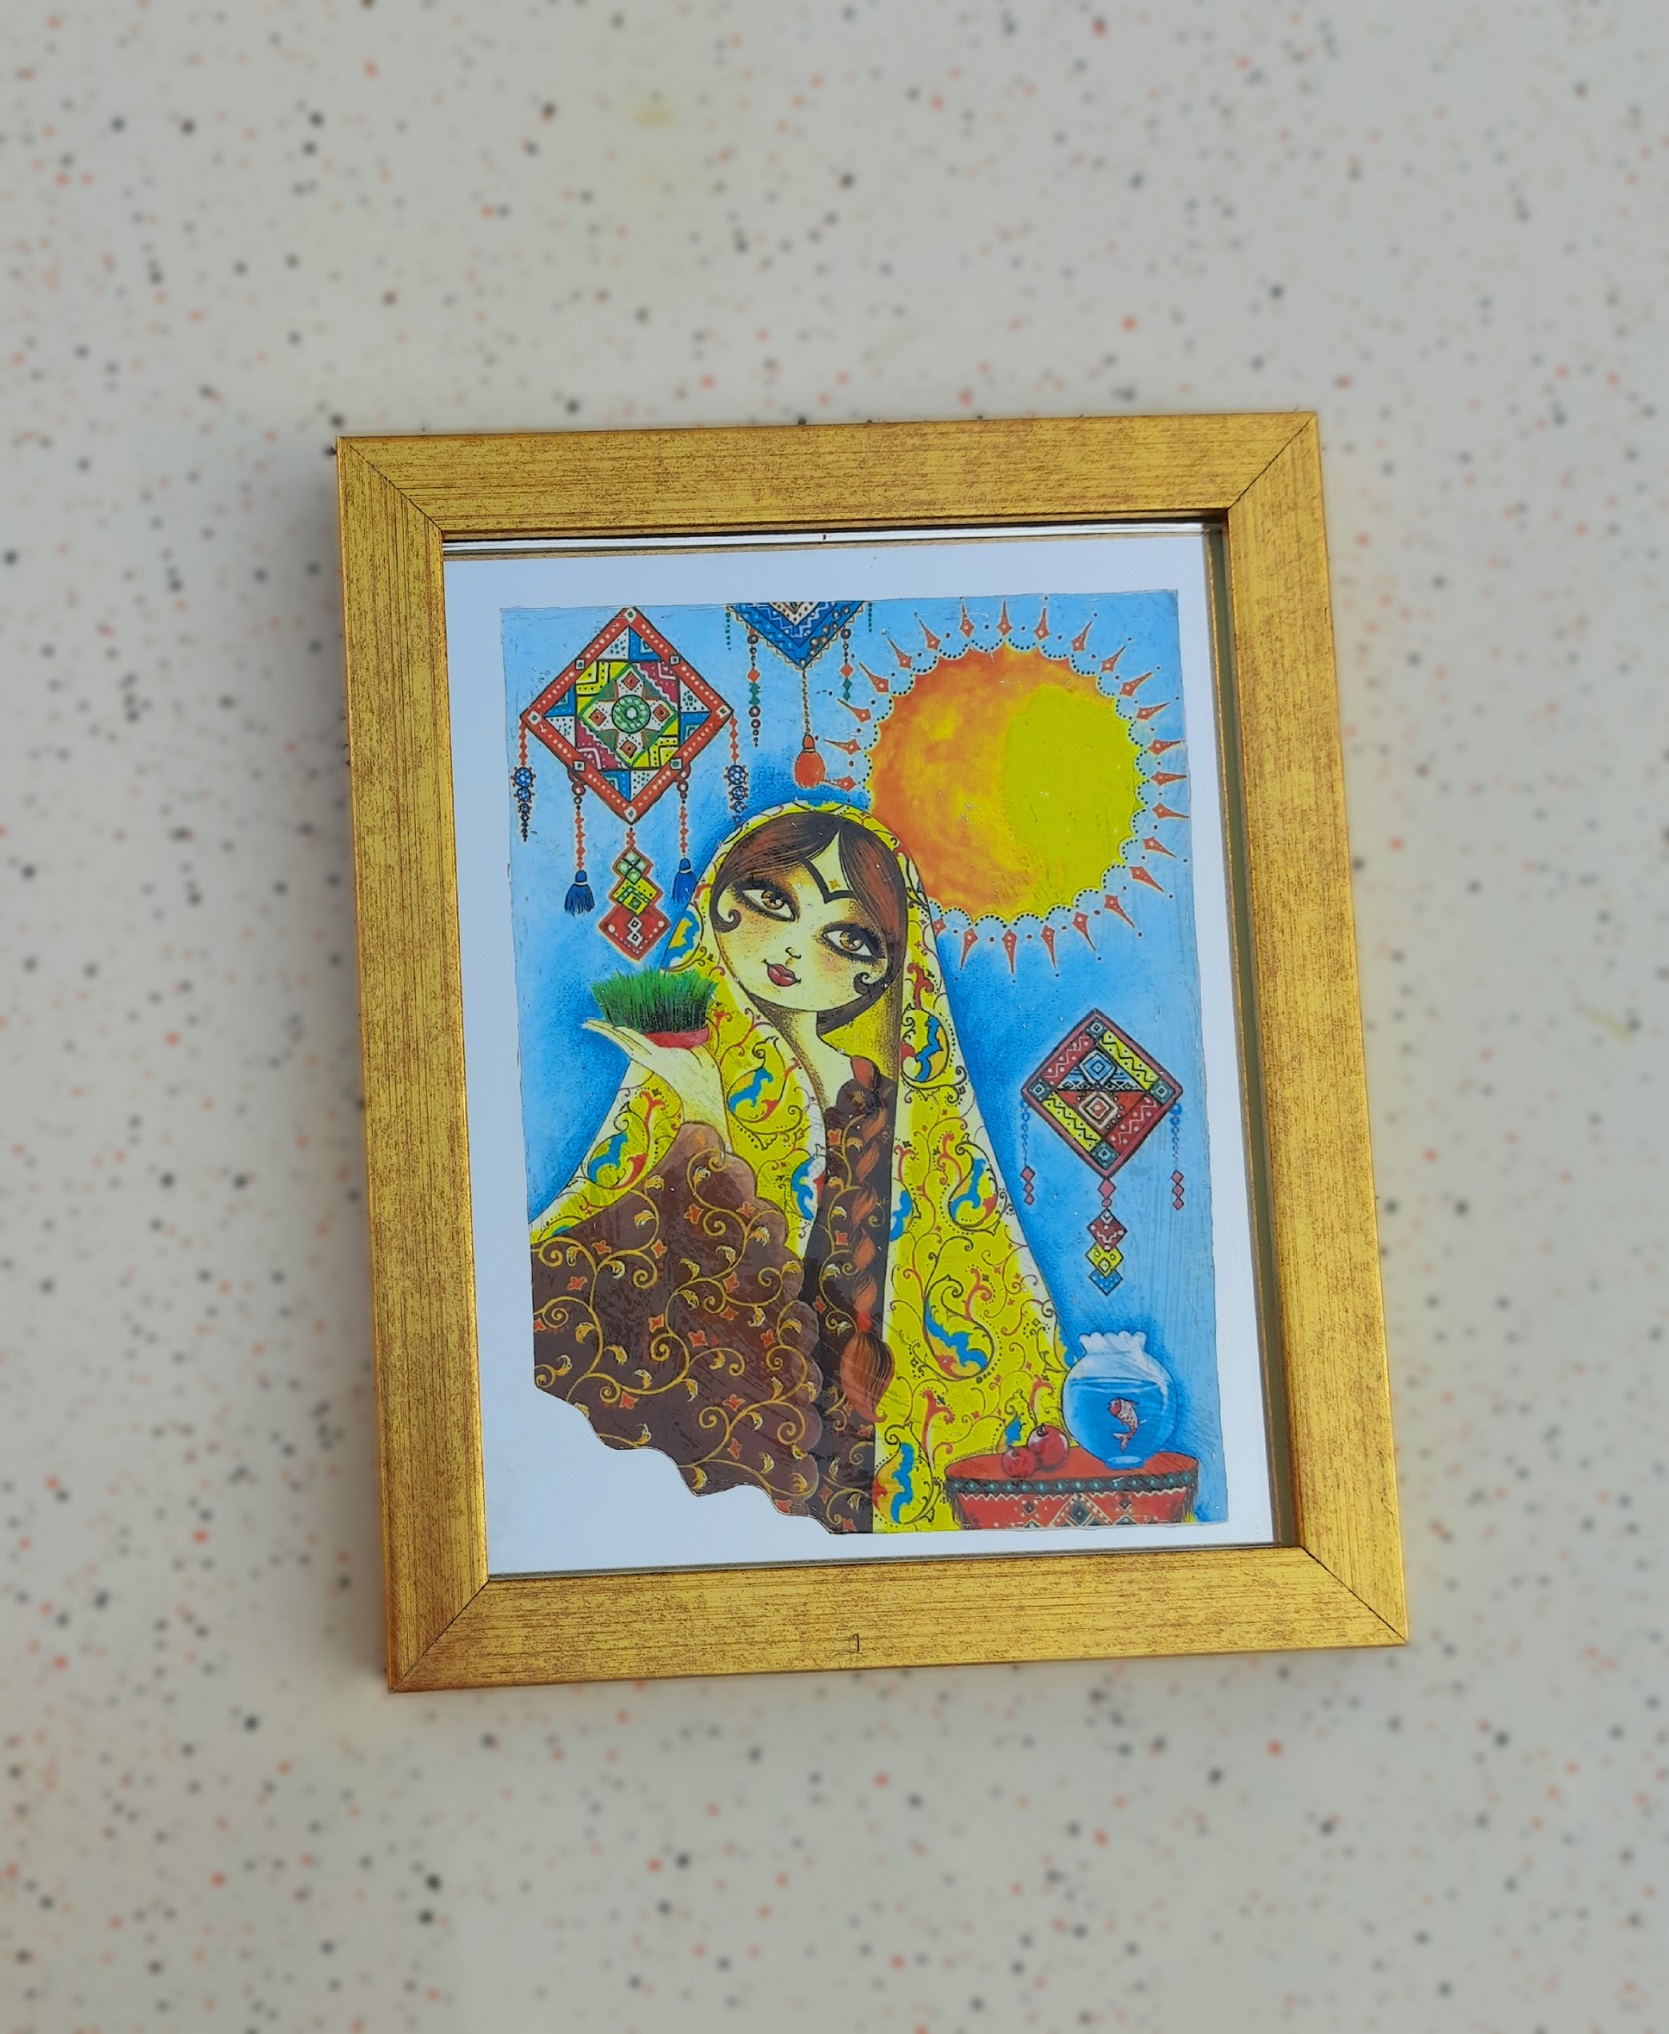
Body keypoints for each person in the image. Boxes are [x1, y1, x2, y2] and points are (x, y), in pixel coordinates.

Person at [530, 804, 1067, 1533]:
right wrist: (701, 1115)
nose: (791, 947)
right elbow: (608, 1269)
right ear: (716, 899)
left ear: (887, 964)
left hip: (871, 1419)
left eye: (845, 937)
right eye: (769, 900)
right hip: (741, 1413)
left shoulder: (897, 1097)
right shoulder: (681, 1063)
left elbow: (957, 1256)